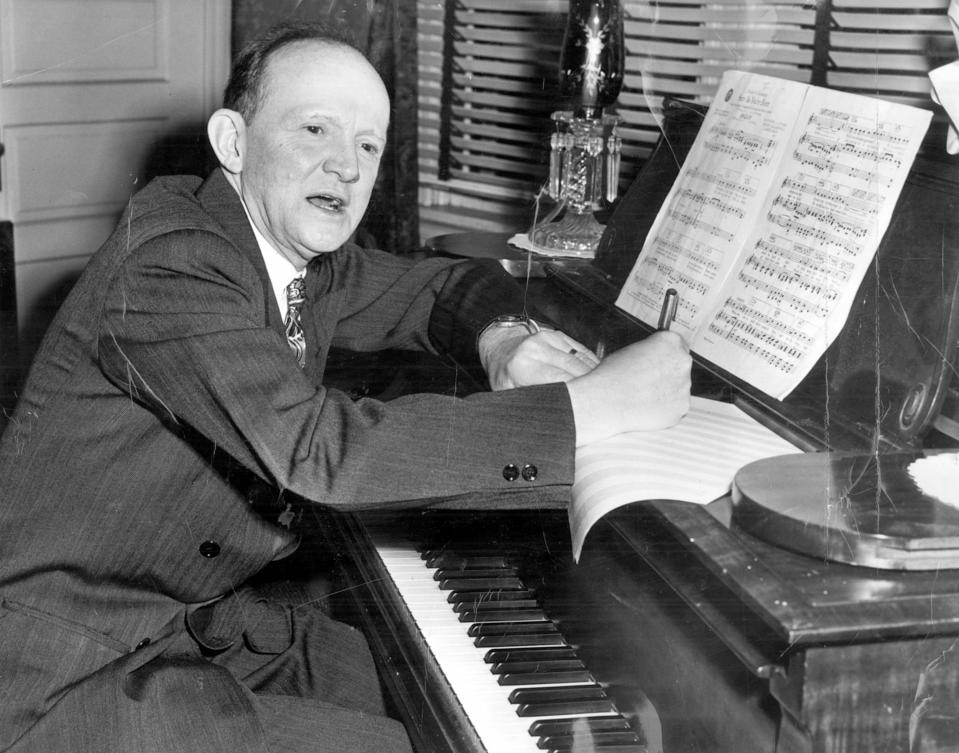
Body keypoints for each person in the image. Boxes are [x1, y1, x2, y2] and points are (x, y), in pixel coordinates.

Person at [0, 20, 690, 753]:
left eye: (367, 145)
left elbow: (438, 283)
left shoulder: (297, 255)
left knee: (412, 690)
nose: (346, 167)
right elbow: (322, 452)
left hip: (183, 623)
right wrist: (585, 407)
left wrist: (504, 340)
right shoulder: (173, 262)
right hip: (54, 670)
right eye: (315, 130)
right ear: (232, 142)